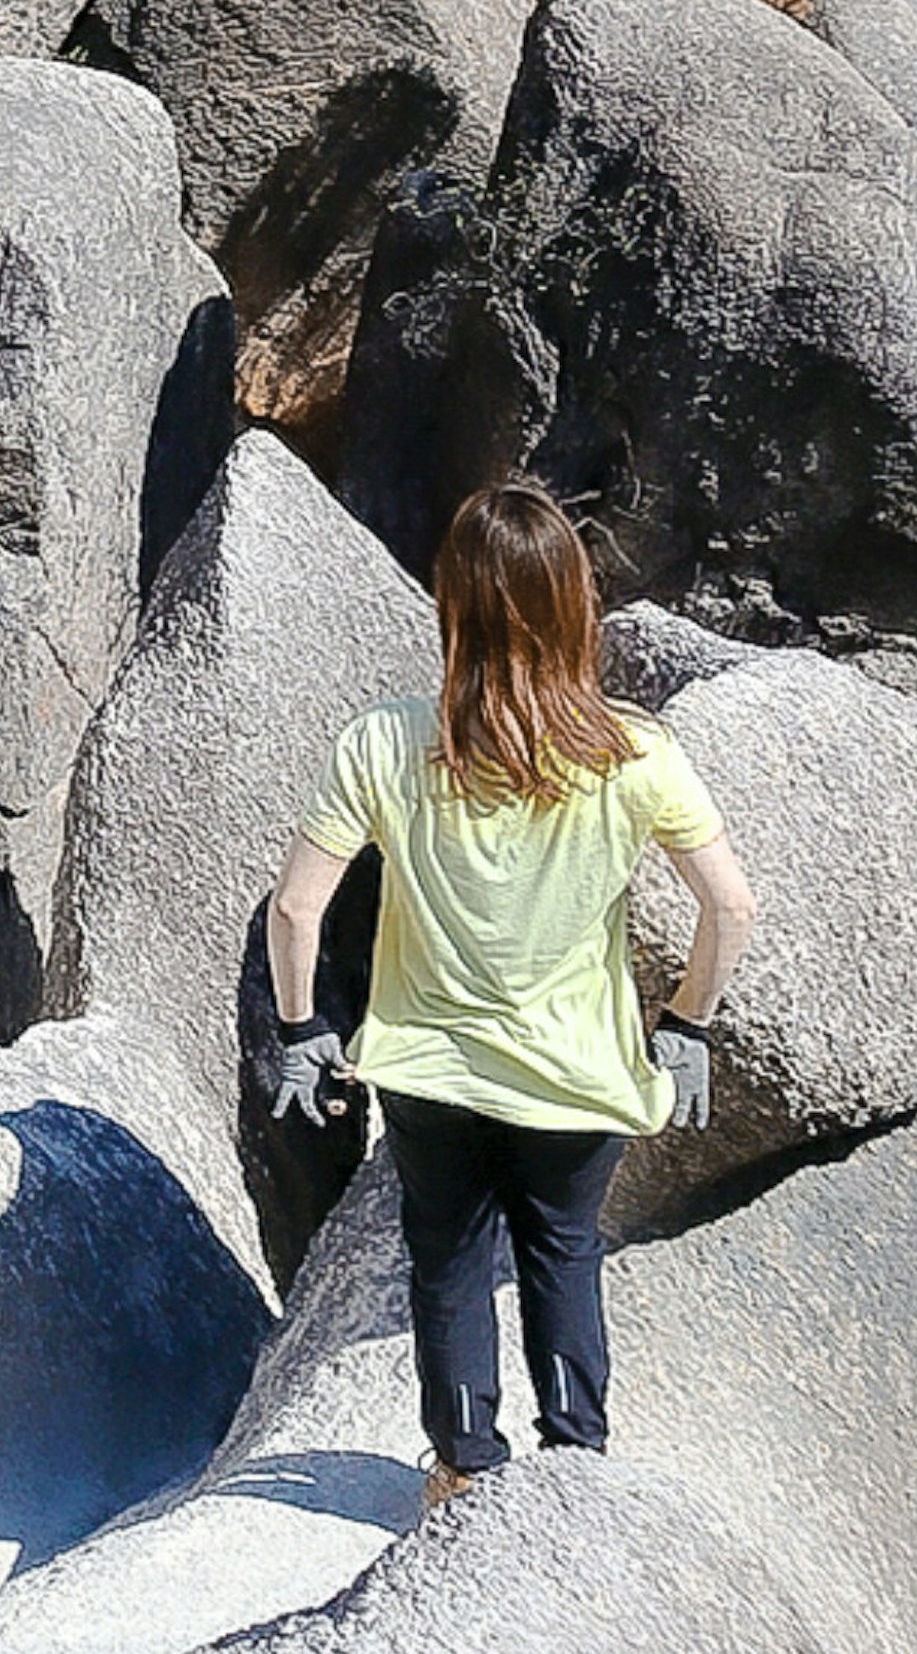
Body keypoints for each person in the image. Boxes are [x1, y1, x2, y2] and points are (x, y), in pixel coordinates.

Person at [261, 475, 757, 1505]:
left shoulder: (386, 741)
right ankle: (575, 1462)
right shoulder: (637, 752)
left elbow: (296, 909)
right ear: (577, 604)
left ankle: (464, 1469)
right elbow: (732, 908)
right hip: (577, 1074)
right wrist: (686, 1027)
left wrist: (304, 1026)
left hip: (433, 1073)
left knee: (447, 1262)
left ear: (452, 603)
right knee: (564, 1255)